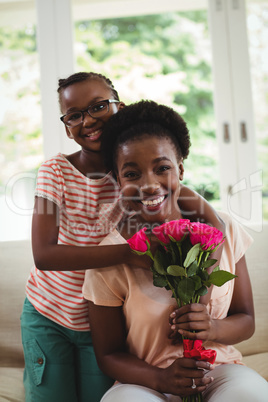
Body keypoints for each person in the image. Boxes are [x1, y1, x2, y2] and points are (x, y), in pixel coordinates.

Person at [20, 72, 225, 402]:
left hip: (98, 320)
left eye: (99, 106)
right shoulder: (55, 171)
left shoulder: (135, 171)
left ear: (119, 106)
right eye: (74, 115)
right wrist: (128, 254)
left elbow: (213, 227)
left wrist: (199, 303)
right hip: (49, 313)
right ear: (66, 126)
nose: (88, 120)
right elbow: (44, 255)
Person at [83, 100, 268, 402]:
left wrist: (213, 327)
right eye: (132, 174)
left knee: (250, 394)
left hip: (218, 371)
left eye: (162, 168)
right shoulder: (111, 255)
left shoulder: (225, 230)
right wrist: (161, 378)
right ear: (117, 181)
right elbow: (108, 354)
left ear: (180, 169)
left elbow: (245, 319)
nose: (149, 184)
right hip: (144, 382)